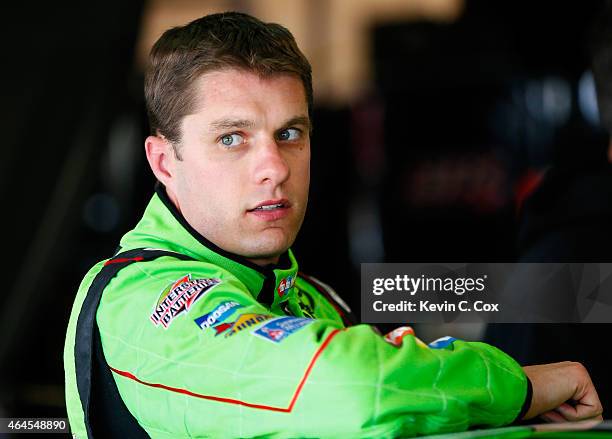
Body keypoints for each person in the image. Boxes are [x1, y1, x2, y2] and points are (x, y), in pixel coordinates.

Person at [64, 12, 602, 438]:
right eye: (232, 138)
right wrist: (522, 387)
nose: (274, 167)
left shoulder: (312, 298)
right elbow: (353, 387)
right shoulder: (142, 297)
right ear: (163, 162)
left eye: (290, 134)